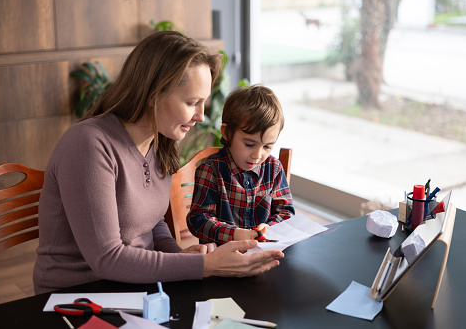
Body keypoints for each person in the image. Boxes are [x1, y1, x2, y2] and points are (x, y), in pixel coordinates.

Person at [33, 31, 284, 294]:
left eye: (204, 103)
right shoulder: (88, 144)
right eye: (191, 103)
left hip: (136, 286)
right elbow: (107, 259)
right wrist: (204, 265)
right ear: (153, 93)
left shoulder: (160, 142)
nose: (200, 116)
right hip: (78, 297)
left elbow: (153, 223)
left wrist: (181, 256)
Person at [186, 85, 295, 245]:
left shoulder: (274, 168)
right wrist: (235, 235)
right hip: (223, 261)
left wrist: (270, 229)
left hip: (264, 254)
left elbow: (286, 213)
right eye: (249, 144)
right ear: (227, 133)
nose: (257, 155)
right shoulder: (211, 169)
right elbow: (198, 221)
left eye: (267, 146)